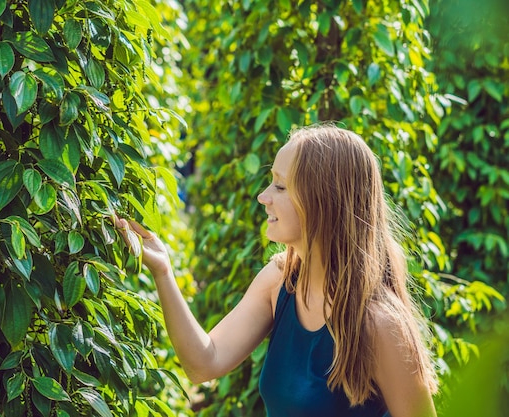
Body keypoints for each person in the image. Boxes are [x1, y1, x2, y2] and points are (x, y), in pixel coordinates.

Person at [116, 125, 438, 417]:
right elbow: (205, 362)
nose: (263, 197)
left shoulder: (380, 324)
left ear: (323, 201)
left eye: (281, 187)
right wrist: (163, 271)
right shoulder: (280, 281)